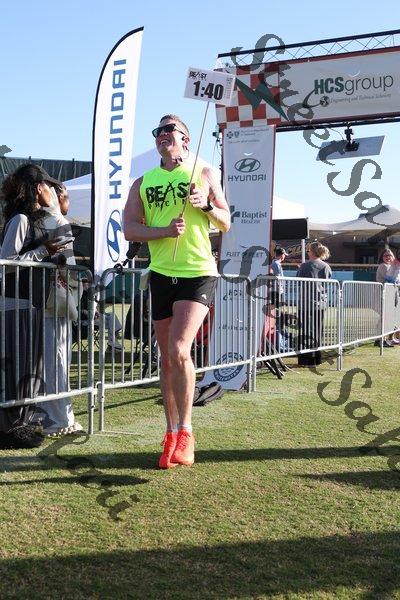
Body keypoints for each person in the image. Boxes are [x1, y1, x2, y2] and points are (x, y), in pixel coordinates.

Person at [124, 114, 230, 468]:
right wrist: (164, 231)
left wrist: (206, 205)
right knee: (166, 357)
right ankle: (170, 432)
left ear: (186, 138)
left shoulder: (204, 172)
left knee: (180, 349)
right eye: (159, 130)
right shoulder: (143, 182)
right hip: (160, 273)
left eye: (171, 129)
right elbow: (130, 229)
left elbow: (226, 222)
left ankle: (187, 431)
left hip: (197, 272)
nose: (163, 134)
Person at [0, 164, 69, 447]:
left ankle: (21, 421)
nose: (51, 190)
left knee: (29, 370)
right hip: (15, 304)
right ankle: (11, 425)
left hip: (30, 304)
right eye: (46, 185)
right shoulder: (20, 220)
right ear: (36, 188)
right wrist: (43, 251)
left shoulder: (35, 219)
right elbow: (6, 262)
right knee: (17, 370)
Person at [35, 183, 84, 435]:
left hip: (45, 300)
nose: (68, 202)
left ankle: (52, 415)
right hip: (55, 301)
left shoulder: (39, 220)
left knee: (50, 361)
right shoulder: (57, 221)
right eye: (65, 196)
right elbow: (69, 268)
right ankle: (60, 419)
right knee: (58, 361)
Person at [296, 241, 332, 367]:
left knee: (304, 330)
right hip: (320, 302)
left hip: (306, 303)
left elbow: (298, 280)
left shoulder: (305, 266)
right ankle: (316, 358)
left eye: (308, 250)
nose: (307, 252)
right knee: (317, 330)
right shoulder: (326, 266)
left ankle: (305, 359)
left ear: (312, 252)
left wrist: (300, 269)